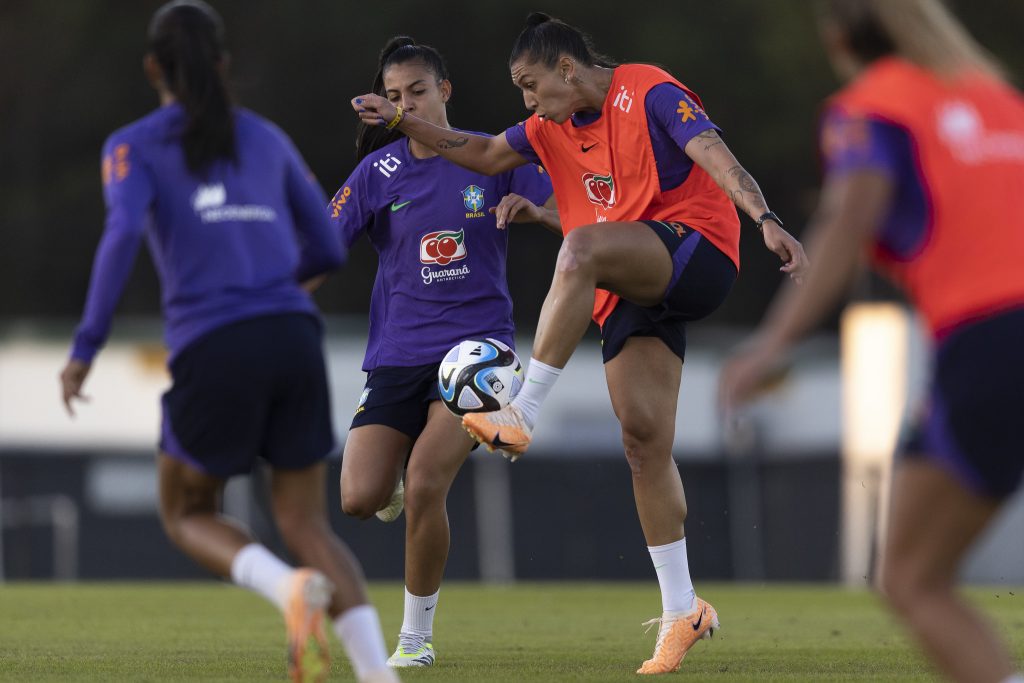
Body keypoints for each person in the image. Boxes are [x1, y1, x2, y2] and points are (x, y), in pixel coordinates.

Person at [351, 13, 808, 675]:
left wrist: (762, 216)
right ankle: (682, 607)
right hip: (632, 283)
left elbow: (713, 151)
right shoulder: (546, 129)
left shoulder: (646, 90)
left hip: (698, 250)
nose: (527, 103)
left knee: (582, 247)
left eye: (532, 85)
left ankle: (524, 409)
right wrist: (404, 124)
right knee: (643, 440)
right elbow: (479, 152)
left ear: (568, 68)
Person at [57, 3, 399, 682]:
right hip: (295, 335)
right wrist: (274, 287)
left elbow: (122, 235)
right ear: (223, 65)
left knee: (186, 509)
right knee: (307, 525)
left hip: (215, 343)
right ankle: (378, 675)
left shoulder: (132, 144)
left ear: (153, 67)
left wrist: (86, 346)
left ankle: (287, 589)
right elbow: (330, 243)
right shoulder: (265, 136)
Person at [719, 1, 1024, 682]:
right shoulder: (998, 97)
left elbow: (843, 227)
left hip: (992, 340)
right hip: (998, 340)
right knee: (918, 573)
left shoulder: (873, 105)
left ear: (837, 39)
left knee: (912, 577)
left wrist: (771, 344)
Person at [329, 36, 554, 669]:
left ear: (445, 91)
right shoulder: (377, 173)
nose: (405, 105)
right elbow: (322, 244)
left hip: (476, 353)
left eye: (417, 92)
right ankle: (392, 483)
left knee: (428, 482)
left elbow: (570, 209)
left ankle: (416, 639)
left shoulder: (492, 156)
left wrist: (536, 210)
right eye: (394, 97)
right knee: (358, 498)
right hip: (398, 355)